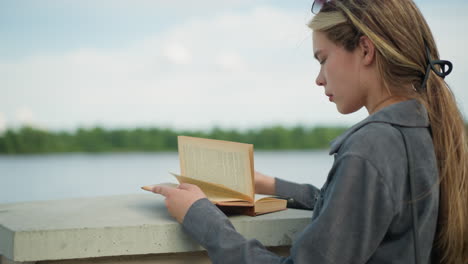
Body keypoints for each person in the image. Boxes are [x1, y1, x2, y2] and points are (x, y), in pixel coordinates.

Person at [147, 0, 467, 263]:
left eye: (323, 59)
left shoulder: (372, 146)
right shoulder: (419, 129)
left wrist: (199, 215)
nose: (319, 78)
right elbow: (349, 206)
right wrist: (263, 183)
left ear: (366, 51)